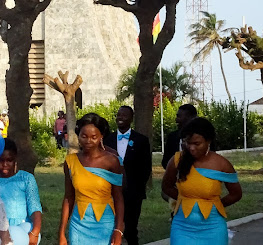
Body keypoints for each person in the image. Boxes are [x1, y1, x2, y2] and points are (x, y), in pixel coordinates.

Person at [162, 118, 242, 244]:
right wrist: (186, 199)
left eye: (197, 144)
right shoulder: (177, 160)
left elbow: (236, 194)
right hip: (182, 228)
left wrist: (216, 205)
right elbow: (166, 187)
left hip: (213, 228)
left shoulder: (222, 164)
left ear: (208, 141)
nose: (192, 148)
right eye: (188, 143)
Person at [59, 113, 124, 245]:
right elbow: (68, 197)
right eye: (84, 136)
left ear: (101, 136)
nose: (88, 141)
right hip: (78, 224)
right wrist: (61, 233)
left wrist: (118, 230)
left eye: (94, 137)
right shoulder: (71, 162)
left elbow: (118, 198)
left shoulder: (112, 161)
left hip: (105, 224)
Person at [103, 106, 151, 245]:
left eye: (124, 115)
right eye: (118, 115)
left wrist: (137, 187)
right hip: (111, 190)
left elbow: (146, 167)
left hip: (133, 192)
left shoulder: (141, 140)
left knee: (131, 228)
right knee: (112, 226)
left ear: (131, 118)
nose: (120, 118)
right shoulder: (108, 139)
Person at [0, 139, 42, 245]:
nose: (5, 164)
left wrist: (35, 231)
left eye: (9, 160)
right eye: (0, 160)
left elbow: (35, 207)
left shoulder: (26, 179)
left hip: (22, 229)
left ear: (15, 158)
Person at [161, 104, 198, 169]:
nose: (176, 120)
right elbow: (165, 162)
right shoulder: (172, 137)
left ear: (190, 117)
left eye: (179, 116)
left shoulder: (204, 137)